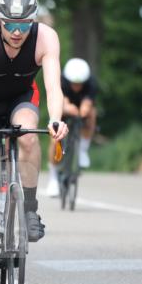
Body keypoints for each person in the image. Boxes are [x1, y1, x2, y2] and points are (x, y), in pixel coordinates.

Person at [0, 0, 68, 284]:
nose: (18, 32)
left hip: (22, 99)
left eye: (25, 25)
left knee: (29, 137)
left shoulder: (46, 38)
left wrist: (56, 119)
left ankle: (31, 210)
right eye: (11, 25)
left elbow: (53, 87)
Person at [46, 57, 97, 196]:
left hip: (80, 107)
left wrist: (84, 111)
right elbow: (62, 101)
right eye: (73, 83)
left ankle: (83, 150)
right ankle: (53, 177)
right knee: (55, 139)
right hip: (64, 107)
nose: (76, 87)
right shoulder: (61, 81)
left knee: (92, 113)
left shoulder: (91, 83)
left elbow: (87, 103)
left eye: (80, 84)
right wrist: (67, 108)